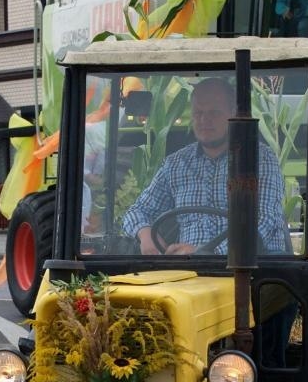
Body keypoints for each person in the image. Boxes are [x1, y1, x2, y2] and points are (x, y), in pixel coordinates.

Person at [122, 77, 288, 255]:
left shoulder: (258, 159)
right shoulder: (176, 163)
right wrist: (146, 236)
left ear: (233, 114)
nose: (204, 120)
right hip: (189, 274)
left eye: (214, 113)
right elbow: (138, 211)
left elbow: (264, 221)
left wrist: (207, 253)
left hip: (255, 269)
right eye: (198, 113)